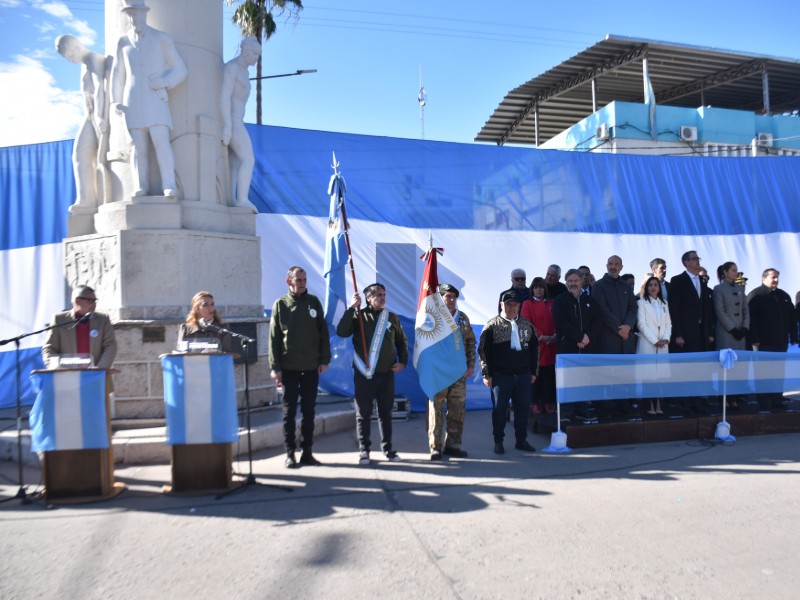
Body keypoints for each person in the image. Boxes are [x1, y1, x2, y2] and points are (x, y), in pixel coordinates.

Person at [111, 0, 187, 198]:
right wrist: (114, 100)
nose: (134, 18)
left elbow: (181, 69)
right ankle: (140, 186)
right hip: (132, 99)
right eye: (130, 15)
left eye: (137, 14)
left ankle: (169, 184)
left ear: (145, 14)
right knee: (137, 146)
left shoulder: (161, 38)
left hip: (155, 98)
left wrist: (165, 82)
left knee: (161, 141)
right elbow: (117, 72)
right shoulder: (123, 41)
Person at [336, 283, 408, 464]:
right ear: (368, 298)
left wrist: (403, 362)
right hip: (364, 374)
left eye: (384, 294)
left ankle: (388, 449)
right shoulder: (359, 316)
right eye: (378, 295)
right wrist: (352, 308)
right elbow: (341, 331)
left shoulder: (391, 317)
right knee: (364, 413)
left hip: (386, 374)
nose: (382, 297)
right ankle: (364, 451)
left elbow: (402, 341)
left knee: (385, 413)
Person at [269, 267, 331, 468]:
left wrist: (324, 360)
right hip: (289, 368)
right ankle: (289, 453)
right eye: (298, 279)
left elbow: (323, 333)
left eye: (304, 279)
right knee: (289, 412)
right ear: (289, 282)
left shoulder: (313, 302)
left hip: (311, 367)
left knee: (309, 412)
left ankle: (307, 452)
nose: (302, 282)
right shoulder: (281, 305)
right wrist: (275, 367)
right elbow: (274, 339)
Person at [479, 290, 538, 455]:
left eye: (515, 304)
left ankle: (521, 440)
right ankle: (498, 441)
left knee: (523, 409)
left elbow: (535, 349)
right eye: (508, 304)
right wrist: (486, 374)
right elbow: (483, 351)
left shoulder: (527, 324)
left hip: (523, 375)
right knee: (499, 410)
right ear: (501, 305)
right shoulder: (492, 325)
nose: (511, 308)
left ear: (519, 306)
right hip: (500, 376)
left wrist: (534, 371)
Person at [55, 34, 110, 211]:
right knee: (79, 155)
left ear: (76, 47)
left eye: (70, 55)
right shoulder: (84, 65)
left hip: (97, 115)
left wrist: (101, 116)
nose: (70, 61)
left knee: (88, 155)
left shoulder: (93, 59)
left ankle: (89, 200)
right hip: (89, 116)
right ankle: (86, 199)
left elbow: (100, 87)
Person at [427, 284, 476, 460]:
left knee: (457, 410)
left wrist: (471, 365)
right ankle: (435, 447)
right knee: (436, 410)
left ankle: (453, 445)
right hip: (439, 374)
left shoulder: (462, 318)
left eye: (454, 296)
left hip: (459, 374)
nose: (452, 299)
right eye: (448, 296)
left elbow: (471, 342)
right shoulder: (432, 318)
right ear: (440, 298)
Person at [592, 255, 639, 416]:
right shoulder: (598, 286)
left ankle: (624, 406)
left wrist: (628, 326)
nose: (613, 267)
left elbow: (633, 308)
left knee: (625, 375)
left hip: (626, 341)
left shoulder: (625, 286)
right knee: (608, 375)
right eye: (610, 264)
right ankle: (607, 408)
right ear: (606, 265)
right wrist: (620, 328)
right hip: (608, 339)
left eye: (616, 264)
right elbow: (602, 310)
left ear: (621, 267)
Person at [553, 269, 600, 421]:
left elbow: (597, 322)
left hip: (587, 348)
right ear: (566, 282)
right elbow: (561, 323)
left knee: (584, 380)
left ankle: (583, 410)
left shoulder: (590, 300)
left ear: (581, 282)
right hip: (568, 347)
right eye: (570, 281)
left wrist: (587, 337)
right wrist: (579, 338)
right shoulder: (560, 300)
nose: (573, 283)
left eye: (576, 280)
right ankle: (566, 413)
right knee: (568, 381)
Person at [221, 36, 261, 211]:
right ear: (245, 51)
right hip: (233, 120)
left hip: (239, 120)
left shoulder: (244, 72)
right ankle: (242, 199)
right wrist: (227, 126)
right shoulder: (232, 68)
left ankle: (232, 199)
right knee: (248, 159)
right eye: (254, 54)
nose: (256, 58)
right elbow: (224, 96)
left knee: (236, 161)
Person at [42, 285, 117, 374]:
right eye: (90, 301)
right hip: (67, 377)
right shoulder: (60, 320)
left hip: (96, 377)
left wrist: (99, 369)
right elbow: (49, 348)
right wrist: (55, 366)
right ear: (78, 301)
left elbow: (110, 346)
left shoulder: (102, 319)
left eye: (95, 301)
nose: (94, 304)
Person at [521, 277, 556, 415]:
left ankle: (547, 402)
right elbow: (525, 323)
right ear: (532, 289)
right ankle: (535, 403)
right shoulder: (527, 304)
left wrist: (555, 335)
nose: (539, 290)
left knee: (548, 377)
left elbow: (558, 320)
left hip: (551, 345)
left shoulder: (552, 303)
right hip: (536, 346)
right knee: (536, 376)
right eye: (536, 287)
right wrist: (541, 336)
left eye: (541, 287)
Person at [636, 276, 672, 415]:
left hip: (662, 345)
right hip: (648, 344)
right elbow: (641, 324)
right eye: (650, 284)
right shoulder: (641, 303)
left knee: (660, 377)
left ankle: (659, 405)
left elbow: (668, 323)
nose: (653, 287)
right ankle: (649, 406)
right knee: (648, 376)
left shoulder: (664, 303)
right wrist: (654, 340)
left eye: (655, 285)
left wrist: (666, 339)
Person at [713, 262, 750, 352]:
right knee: (727, 360)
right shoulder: (718, 288)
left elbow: (745, 309)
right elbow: (720, 311)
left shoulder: (740, 288)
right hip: (726, 331)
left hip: (741, 330)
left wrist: (745, 327)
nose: (736, 273)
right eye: (733, 270)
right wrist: (732, 329)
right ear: (725, 272)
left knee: (740, 361)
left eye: (736, 270)